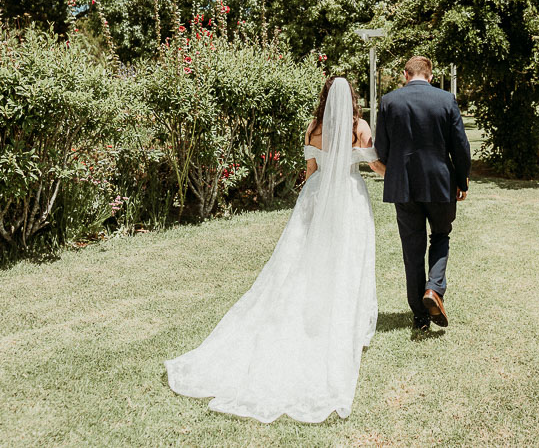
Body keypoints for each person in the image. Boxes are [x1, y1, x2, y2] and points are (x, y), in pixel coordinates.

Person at [164, 77, 384, 423]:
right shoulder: (360, 127)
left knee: (304, 263)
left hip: (314, 197)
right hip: (349, 200)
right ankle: (341, 321)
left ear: (324, 97)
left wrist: (311, 194)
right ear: (352, 98)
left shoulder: (313, 126)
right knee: (346, 260)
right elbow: (374, 166)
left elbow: (311, 169)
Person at [374, 56, 471, 331]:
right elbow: (460, 145)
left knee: (412, 249)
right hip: (440, 183)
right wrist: (462, 180)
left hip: (404, 186)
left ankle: (419, 315)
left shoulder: (389, 101)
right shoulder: (445, 99)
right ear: (430, 75)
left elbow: (382, 147)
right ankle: (434, 289)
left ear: (406, 74)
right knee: (441, 235)